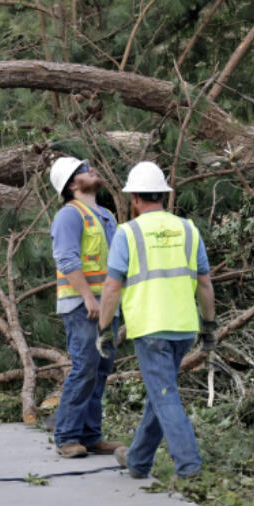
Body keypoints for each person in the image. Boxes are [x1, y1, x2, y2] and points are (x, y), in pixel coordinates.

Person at [98, 161, 216, 479]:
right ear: (162, 195)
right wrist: (209, 325)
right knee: (160, 391)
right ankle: (137, 460)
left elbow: (111, 286)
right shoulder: (188, 229)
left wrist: (105, 329)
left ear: (134, 198)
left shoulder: (128, 233)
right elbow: (205, 283)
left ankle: (189, 466)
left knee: (165, 394)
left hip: (151, 328)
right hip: (183, 328)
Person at [48, 156, 123, 458]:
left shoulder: (105, 215)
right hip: (83, 306)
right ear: (71, 184)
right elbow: (66, 259)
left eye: (90, 166)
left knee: (101, 369)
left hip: (106, 306)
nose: (91, 169)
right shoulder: (69, 215)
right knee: (84, 367)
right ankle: (66, 437)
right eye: (82, 170)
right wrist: (88, 298)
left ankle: (91, 436)